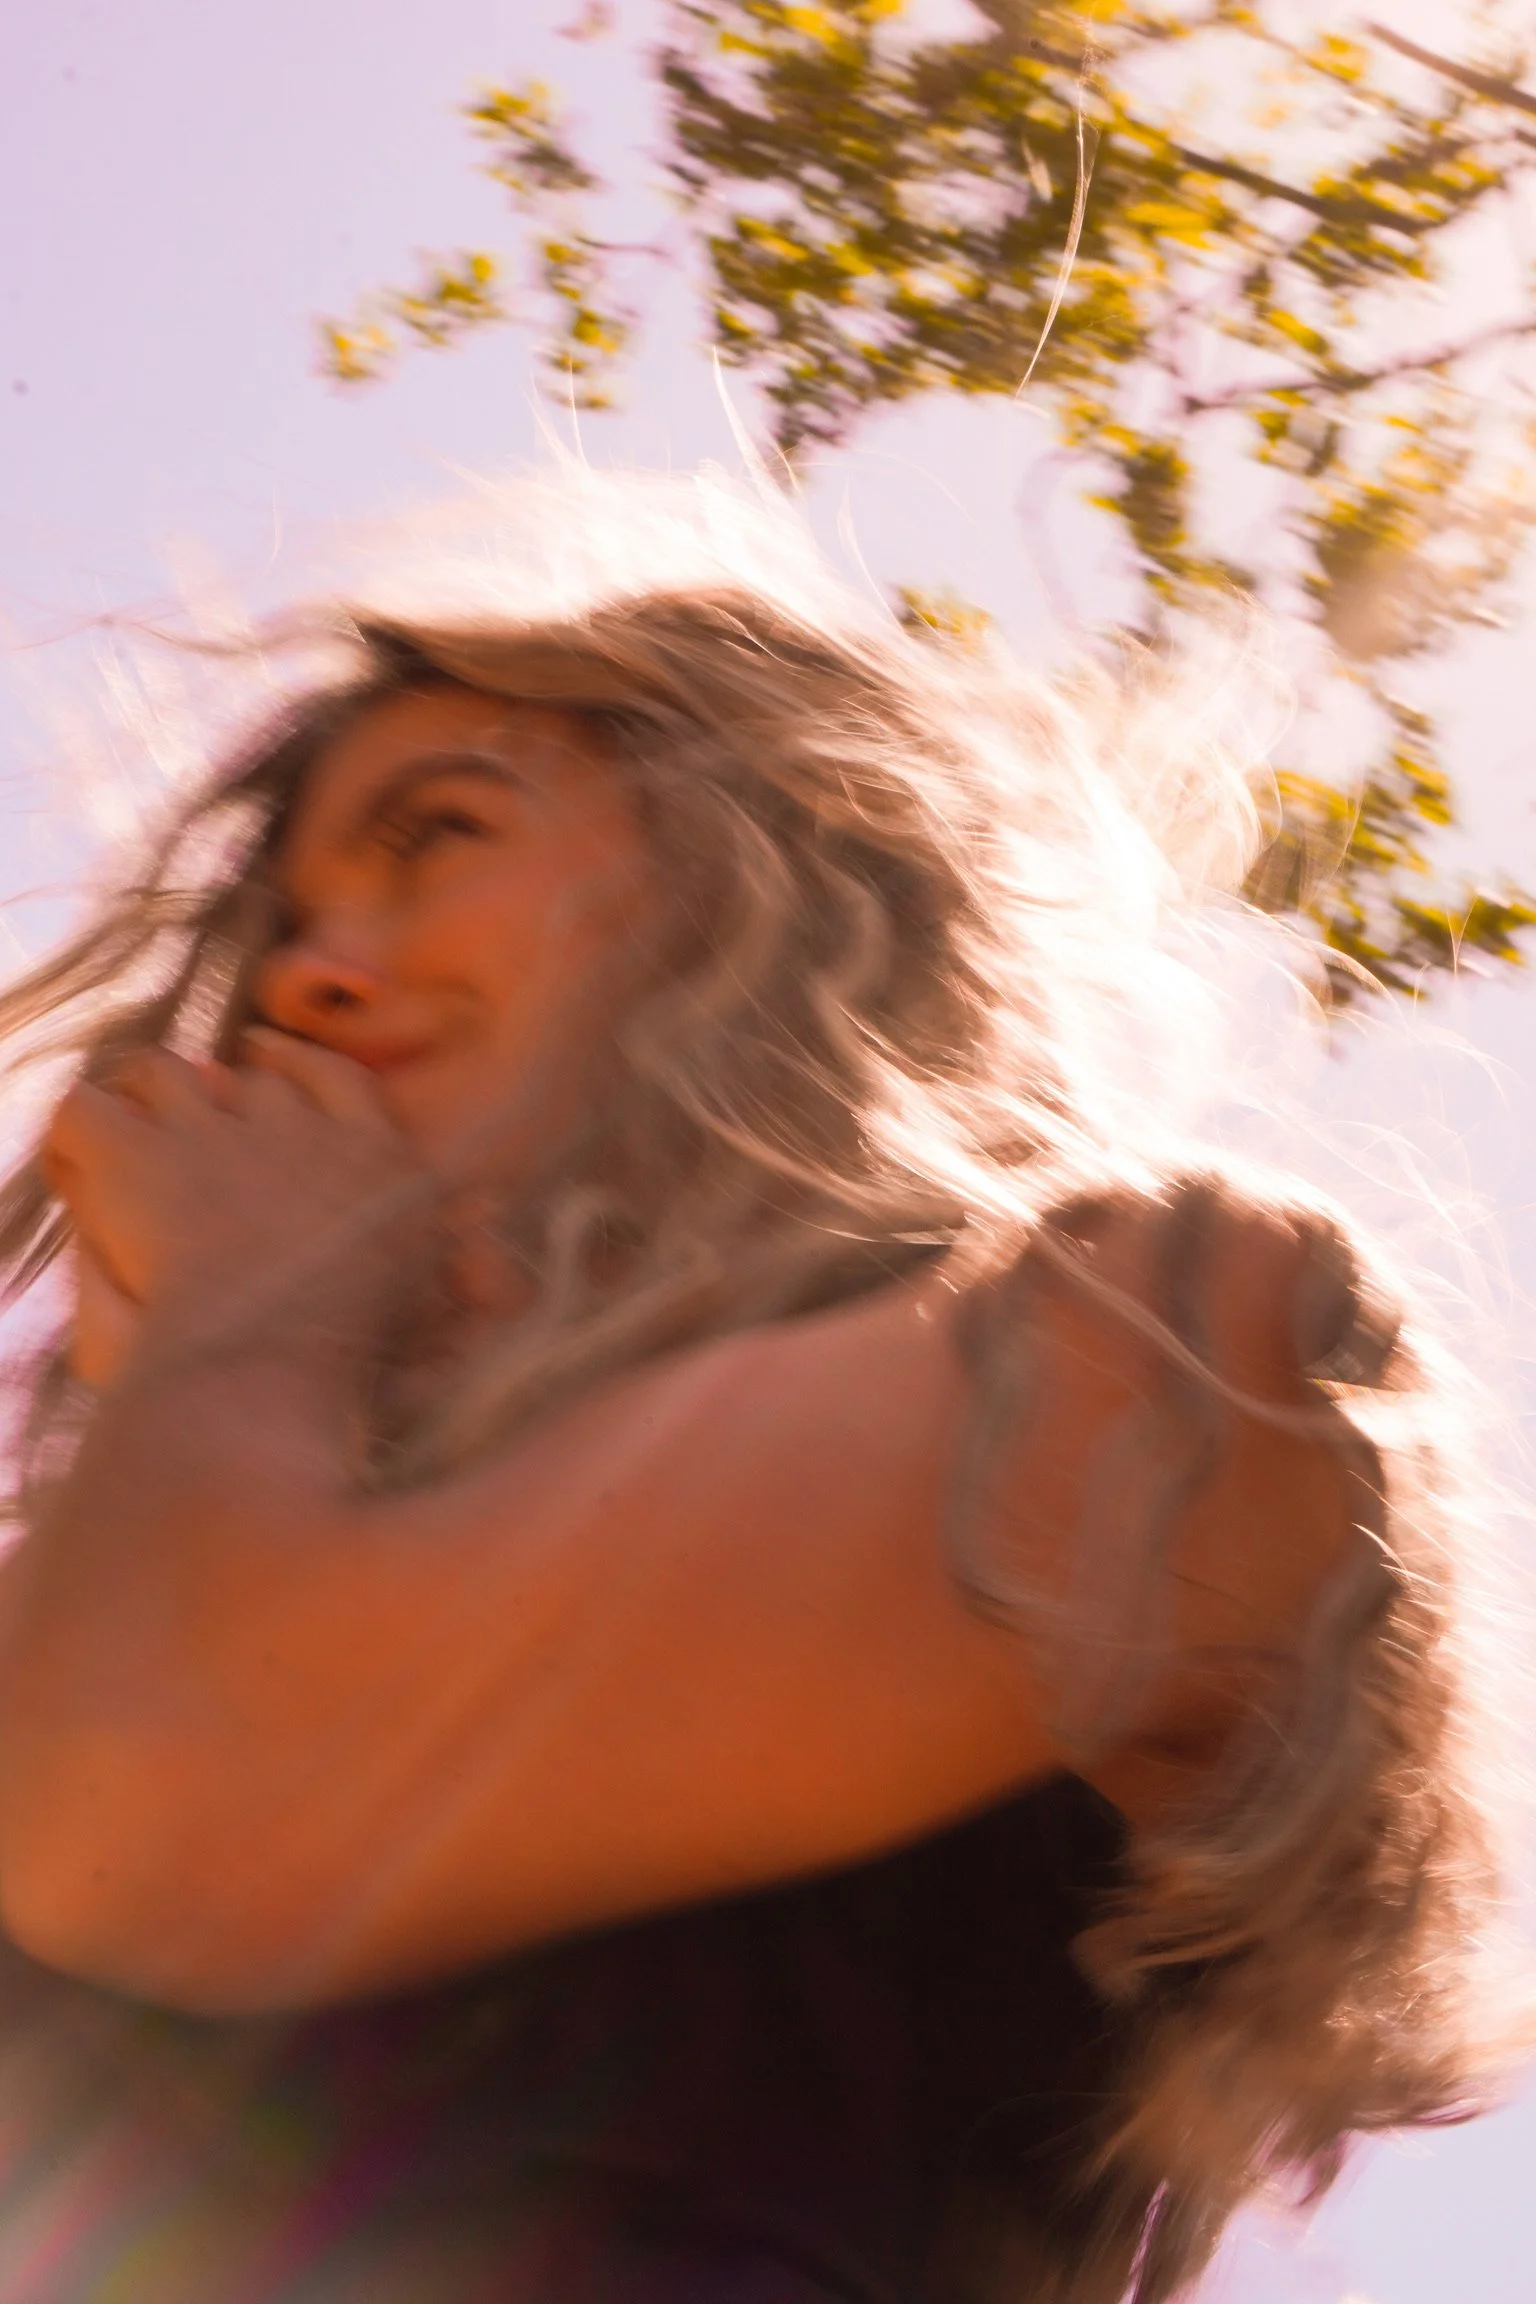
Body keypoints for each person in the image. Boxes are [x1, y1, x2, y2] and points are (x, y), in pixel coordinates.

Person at [0, 472, 1517, 2303]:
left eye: (435, 833)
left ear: (788, 847)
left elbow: (164, 1814)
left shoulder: (1177, 1331)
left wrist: (252, 1303)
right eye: (284, 932)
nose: (307, 978)